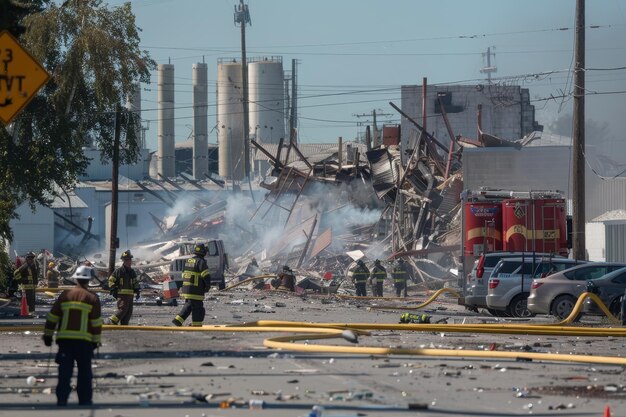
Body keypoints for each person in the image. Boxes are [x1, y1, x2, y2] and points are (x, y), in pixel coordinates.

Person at [43, 265, 102, 406]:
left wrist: (48, 335)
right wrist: (96, 341)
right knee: (85, 373)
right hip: (84, 343)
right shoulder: (92, 298)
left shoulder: (65, 295)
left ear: (76, 279)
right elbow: (96, 323)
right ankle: (85, 400)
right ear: (89, 280)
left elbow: (52, 317)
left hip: (65, 342)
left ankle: (62, 399)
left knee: (64, 373)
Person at [172, 243, 211, 327]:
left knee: (189, 305)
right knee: (198, 308)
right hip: (196, 290)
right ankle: (197, 325)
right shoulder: (201, 262)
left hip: (186, 288)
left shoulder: (188, 261)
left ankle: (178, 320)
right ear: (203, 251)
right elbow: (205, 275)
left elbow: (183, 274)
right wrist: (207, 286)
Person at [107, 250, 139, 325]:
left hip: (130, 295)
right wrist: (113, 289)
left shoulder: (132, 271)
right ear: (123, 261)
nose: (129, 261)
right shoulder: (119, 271)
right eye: (127, 260)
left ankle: (124, 326)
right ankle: (111, 321)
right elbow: (111, 280)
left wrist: (137, 290)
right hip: (122, 295)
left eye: (130, 260)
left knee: (128, 312)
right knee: (122, 310)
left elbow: (135, 282)